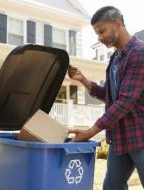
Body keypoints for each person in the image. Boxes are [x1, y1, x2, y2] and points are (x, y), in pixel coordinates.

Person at [68, 6, 144, 190]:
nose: (99, 37)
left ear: (117, 24)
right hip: (120, 137)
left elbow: (125, 101)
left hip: (140, 135)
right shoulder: (115, 59)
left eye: (102, 31)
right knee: (112, 186)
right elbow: (111, 97)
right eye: (97, 33)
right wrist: (84, 80)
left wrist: (90, 132)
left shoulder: (139, 53)